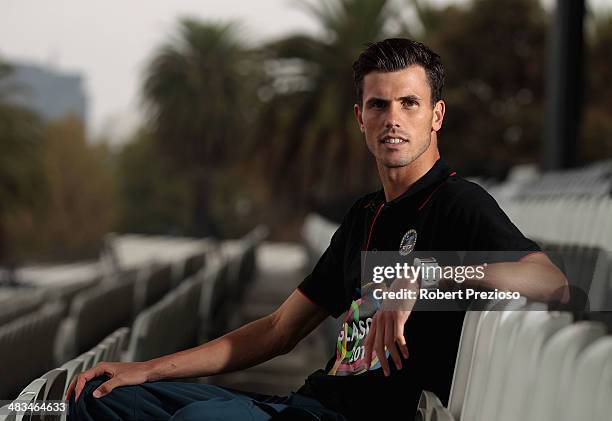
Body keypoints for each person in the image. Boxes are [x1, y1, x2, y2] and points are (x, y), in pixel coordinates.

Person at [67, 38, 568, 421]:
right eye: (378, 105)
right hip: (305, 405)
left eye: (409, 104)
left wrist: (429, 274)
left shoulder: (460, 202)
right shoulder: (364, 215)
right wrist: (148, 368)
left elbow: (553, 283)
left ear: (436, 115)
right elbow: (279, 330)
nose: (393, 119)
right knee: (100, 397)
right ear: (360, 118)